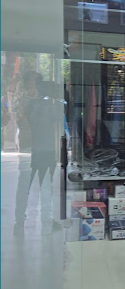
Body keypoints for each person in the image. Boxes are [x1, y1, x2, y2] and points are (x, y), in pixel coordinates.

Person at [14, 71, 60, 234]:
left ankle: (47, 218)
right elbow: (25, 122)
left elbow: (56, 118)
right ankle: (19, 220)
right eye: (29, 83)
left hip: (47, 149)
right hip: (29, 150)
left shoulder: (46, 102)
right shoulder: (24, 101)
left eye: (35, 83)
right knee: (24, 185)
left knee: (46, 185)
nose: (32, 86)